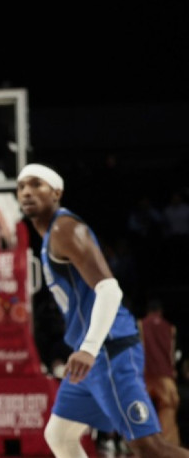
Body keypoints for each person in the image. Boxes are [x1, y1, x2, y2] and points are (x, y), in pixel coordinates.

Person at [17, 163, 189, 458]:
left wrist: (89, 348)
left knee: (149, 448)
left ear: (57, 192)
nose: (27, 192)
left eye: (36, 184)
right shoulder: (49, 237)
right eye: (21, 187)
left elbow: (110, 289)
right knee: (59, 435)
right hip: (89, 357)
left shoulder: (65, 228)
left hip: (107, 349)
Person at [140, 299, 182, 446]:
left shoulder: (141, 325)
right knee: (168, 408)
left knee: (140, 410)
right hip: (165, 375)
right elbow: (173, 355)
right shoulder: (170, 328)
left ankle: (142, 444)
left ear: (148, 311)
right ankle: (167, 445)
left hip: (144, 375)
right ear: (160, 312)